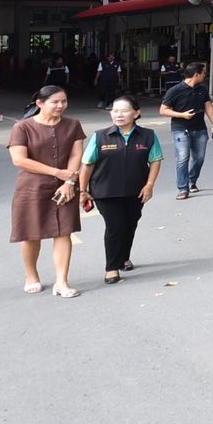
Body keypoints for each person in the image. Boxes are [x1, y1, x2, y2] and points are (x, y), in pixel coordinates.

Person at [8, 85, 87, 297]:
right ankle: (31, 274)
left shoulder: (73, 125)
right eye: (55, 102)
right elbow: (19, 160)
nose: (60, 105)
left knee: (64, 232)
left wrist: (69, 182)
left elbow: (76, 155)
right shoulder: (23, 127)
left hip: (65, 186)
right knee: (31, 233)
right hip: (31, 187)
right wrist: (57, 172)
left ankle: (62, 281)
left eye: (64, 101)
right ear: (40, 104)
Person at [79, 96, 161, 284]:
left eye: (124, 111)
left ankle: (124, 256)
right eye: (115, 111)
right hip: (105, 191)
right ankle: (111, 267)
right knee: (115, 226)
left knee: (130, 224)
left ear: (136, 113)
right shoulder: (100, 136)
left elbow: (155, 160)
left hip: (136, 191)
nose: (119, 115)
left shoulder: (148, 135)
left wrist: (149, 185)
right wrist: (82, 190)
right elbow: (87, 164)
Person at [159, 62, 213, 200]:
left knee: (199, 158)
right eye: (203, 73)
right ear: (196, 74)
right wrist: (182, 115)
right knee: (182, 158)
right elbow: (163, 110)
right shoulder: (175, 90)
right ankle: (182, 188)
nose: (205, 75)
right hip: (180, 129)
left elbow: (208, 107)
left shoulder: (202, 89)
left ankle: (192, 180)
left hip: (200, 128)